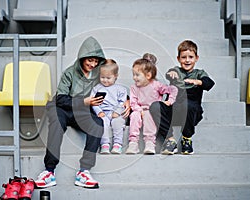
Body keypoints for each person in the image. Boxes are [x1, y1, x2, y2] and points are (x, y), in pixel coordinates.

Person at [34, 36, 130, 189]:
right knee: (57, 122)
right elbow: (60, 100)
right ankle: (49, 171)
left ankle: (84, 171)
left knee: (98, 123)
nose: (93, 64)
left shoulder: (99, 72)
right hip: (63, 109)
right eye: (89, 60)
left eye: (95, 61)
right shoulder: (69, 73)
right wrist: (83, 101)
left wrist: (127, 99)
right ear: (81, 58)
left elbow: (111, 84)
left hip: (82, 112)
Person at [151, 40, 215, 155]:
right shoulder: (176, 70)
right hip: (174, 110)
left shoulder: (199, 73)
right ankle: (170, 139)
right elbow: (170, 73)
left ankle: (186, 138)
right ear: (178, 59)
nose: (187, 60)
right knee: (155, 106)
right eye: (183, 57)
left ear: (196, 58)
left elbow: (209, 83)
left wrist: (198, 82)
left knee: (188, 105)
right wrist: (171, 74)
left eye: (190, 57)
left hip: (191, 113)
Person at [126, 54, 178, 154]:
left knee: (149, 115)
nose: (134, 78)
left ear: (148, 76)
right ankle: (133, 143)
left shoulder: (156, 85)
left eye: (137, 75)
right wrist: (139, 110)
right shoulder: (134, 87)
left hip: (151, 111)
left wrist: (170, 101)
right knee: (134, 115)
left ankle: (150, 142)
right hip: (139, 110)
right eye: (133, 74)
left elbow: (173, 89)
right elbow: (133, 102)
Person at [90, 59, 128, 154]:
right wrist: (99, 112)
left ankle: (117, 145)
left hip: (116, 113)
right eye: (102, 77)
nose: (105, 80)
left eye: (108, 78)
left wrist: (117, 111)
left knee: (118, 122)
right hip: (103, 113)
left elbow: (122, 102)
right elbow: (94, 103)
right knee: (103, 123)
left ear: (115, 76)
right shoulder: (96, 89)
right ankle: (105, 145)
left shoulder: (120, 89)